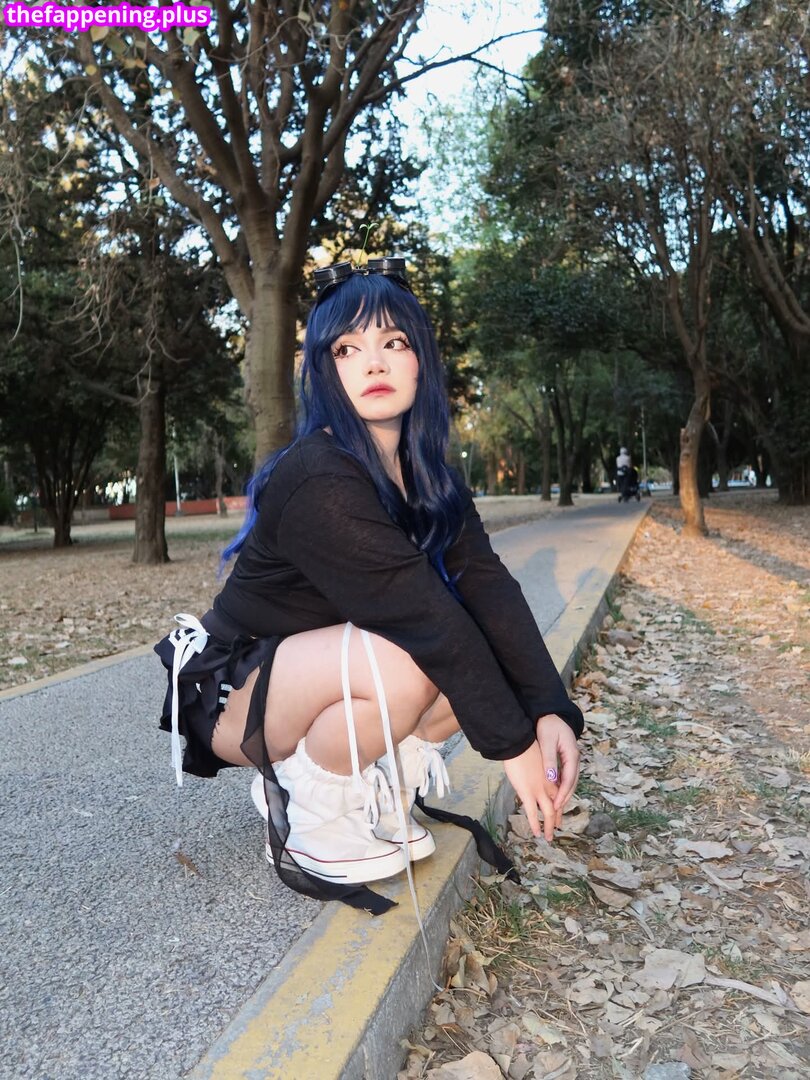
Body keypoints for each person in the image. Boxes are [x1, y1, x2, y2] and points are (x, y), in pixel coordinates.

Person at [155, 258, 583, 915]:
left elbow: (488, 586)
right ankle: (313, 802)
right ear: (324, 370)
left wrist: (549, 709)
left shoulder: (429, 474)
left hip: (316, 668)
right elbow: (428, 620)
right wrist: (515, 747)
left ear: (421, 360)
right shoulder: (318, 476)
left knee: (472, 642)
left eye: (394, 342)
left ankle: (376, 784)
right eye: (347, 349)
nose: (374, 363)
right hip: (233, 692)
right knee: (415, 654)